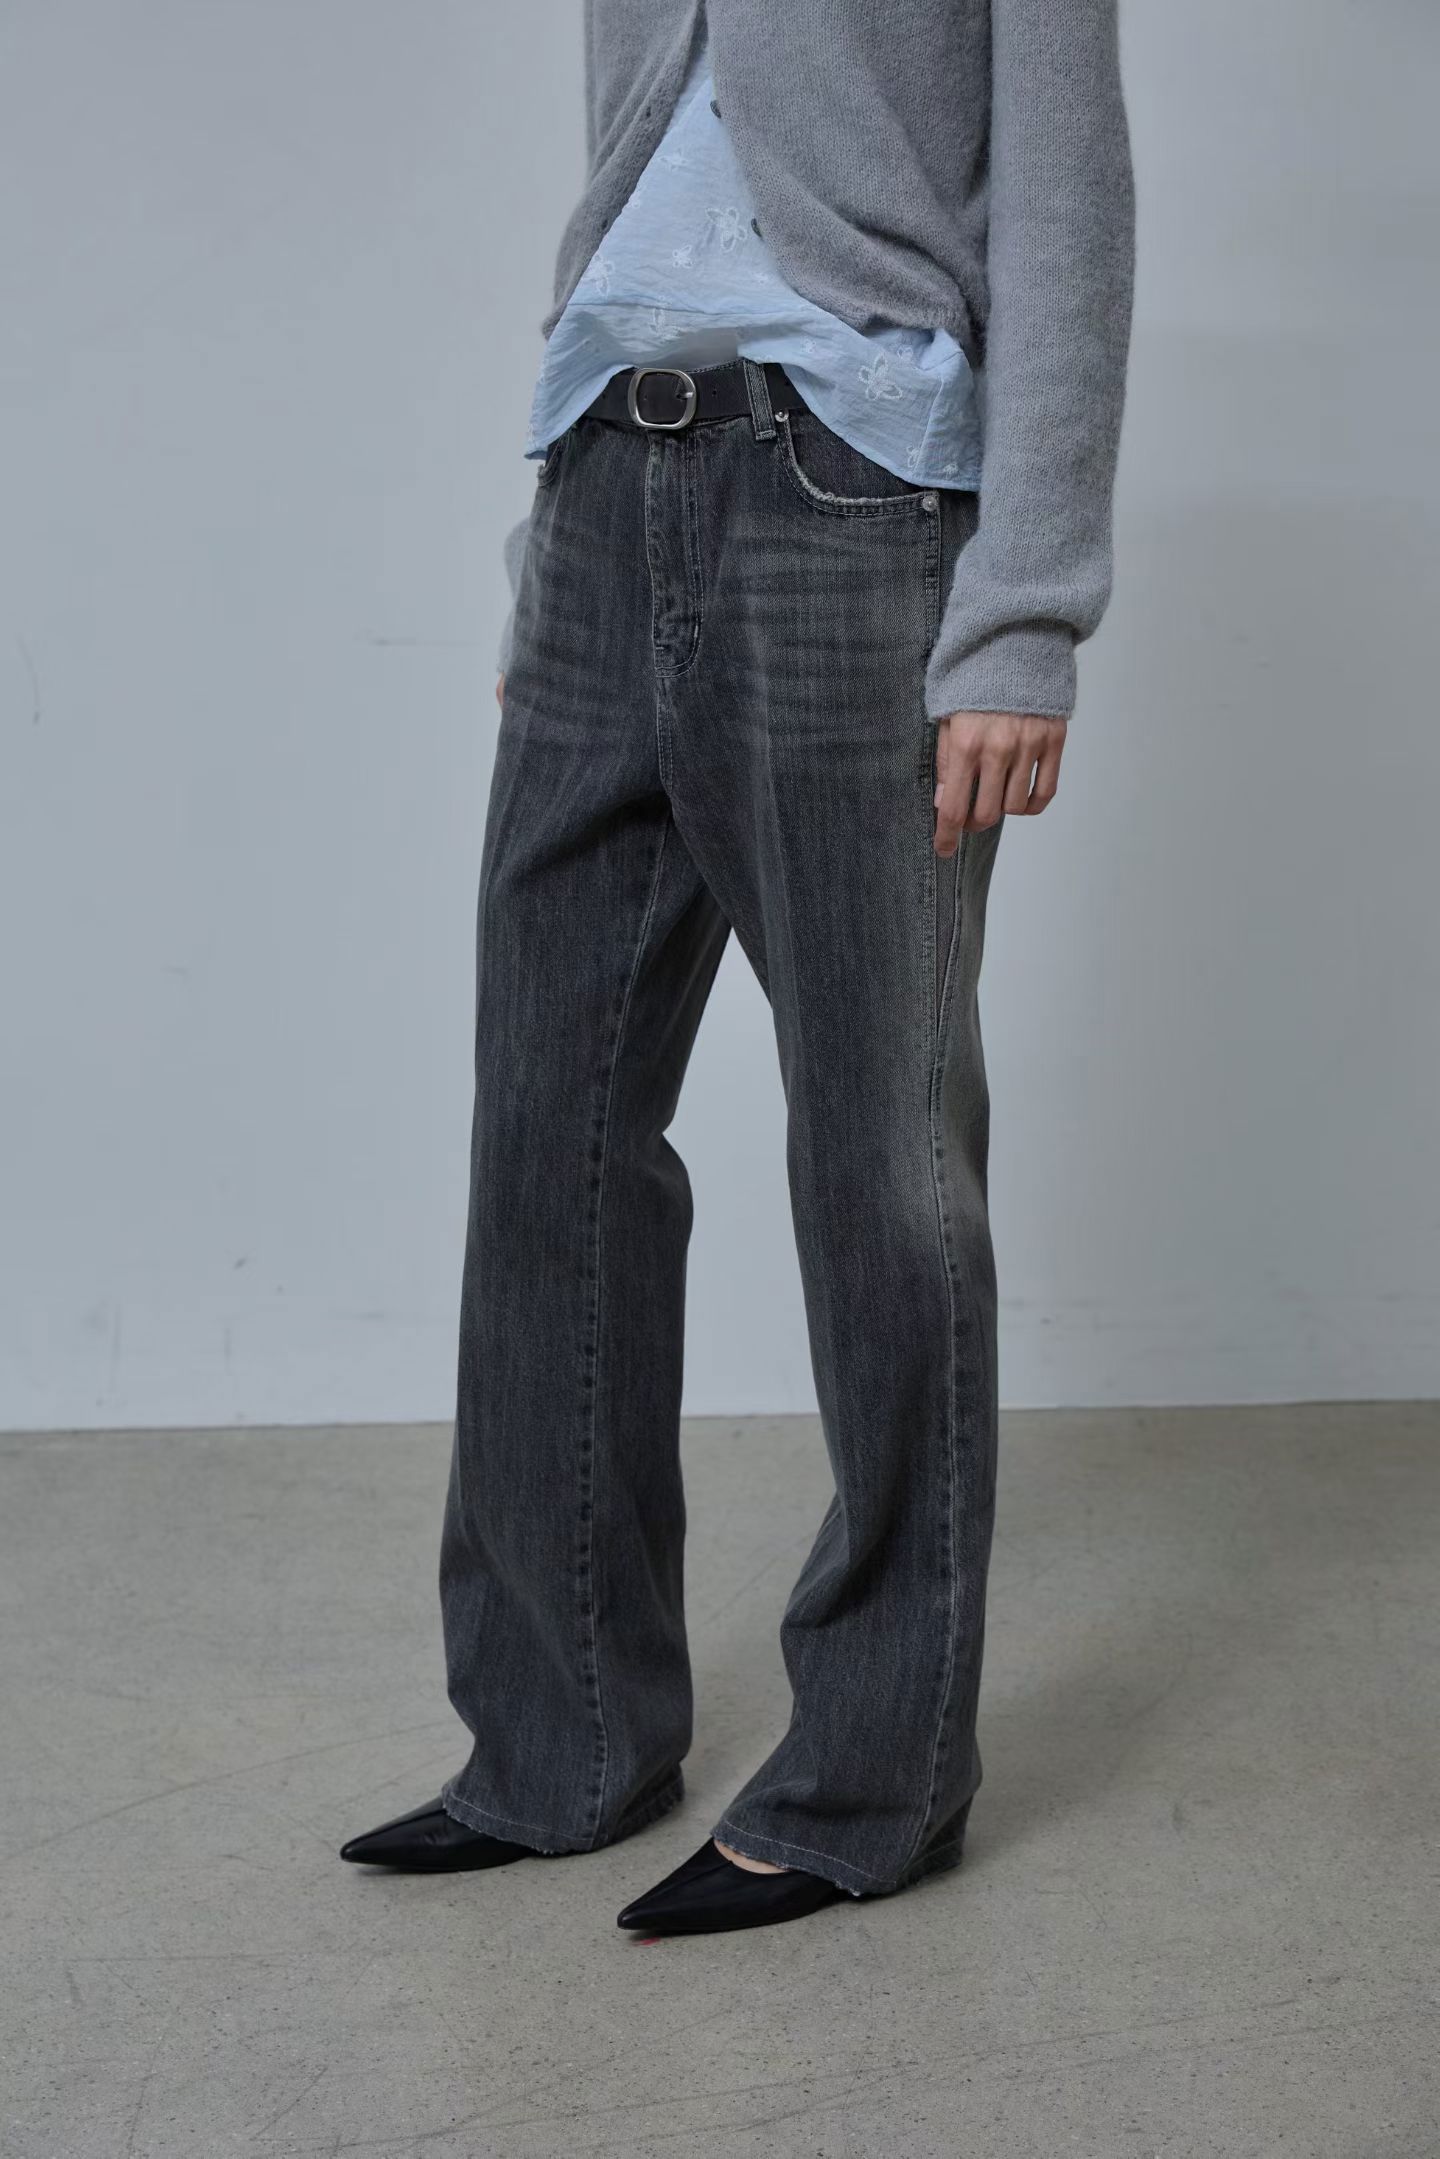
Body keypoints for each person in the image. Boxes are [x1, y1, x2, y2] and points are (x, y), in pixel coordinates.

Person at [341, 0, 1135, 1936]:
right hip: (608, 476)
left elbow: (1069, 202)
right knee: (548, 1132)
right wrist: (554, 549)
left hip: (853, 495)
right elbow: (642, 169)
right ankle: (559, 1738)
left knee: (881, 1159)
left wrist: (1025, 613)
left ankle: (870, 1781)